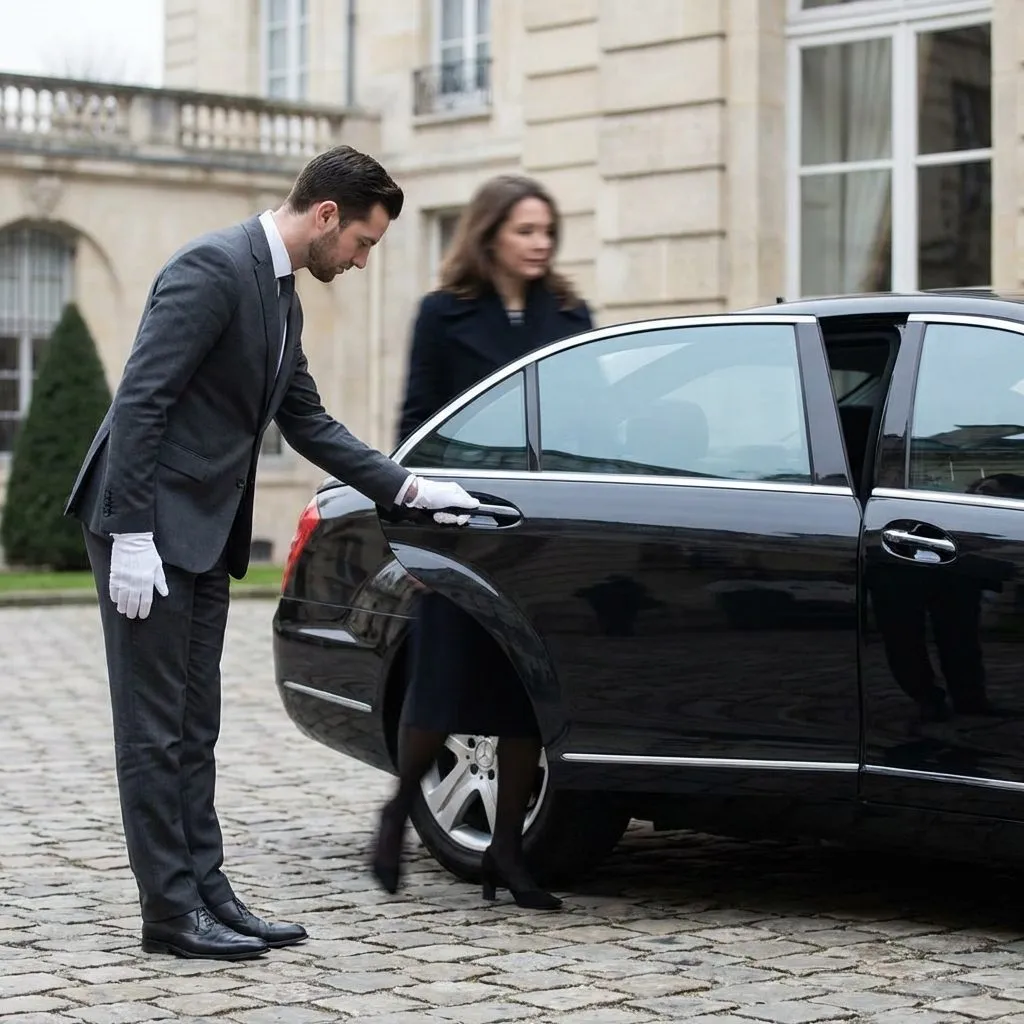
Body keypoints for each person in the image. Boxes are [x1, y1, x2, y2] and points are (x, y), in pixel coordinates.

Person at [64, 145, 479, 961]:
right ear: (327, 216)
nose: (362, 261)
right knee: (154, 728)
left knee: (196, 722)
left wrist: (408, 488)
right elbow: (142, 401)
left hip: (204, 532)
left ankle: (209, 891)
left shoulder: (282, 297)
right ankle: (170, 912)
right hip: (145, 527)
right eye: (363, 242)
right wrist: (135, 534)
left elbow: (308, 421)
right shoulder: (212, 269)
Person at [371, 174, 593, 910]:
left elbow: (593, 419)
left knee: (524, 695)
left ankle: (507, 852)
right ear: (491, 232)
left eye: (548, 232)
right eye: (527, 230)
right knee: (442, 684)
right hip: (463, 531)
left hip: (538, 530)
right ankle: (400, 809)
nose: (541, 244)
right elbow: (416, 427)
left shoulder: (569, 312)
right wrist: (423, 541)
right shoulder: (442, 314)